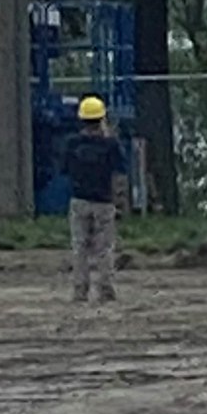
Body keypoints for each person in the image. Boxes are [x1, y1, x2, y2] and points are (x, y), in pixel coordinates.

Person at [64, 94, 127, 303]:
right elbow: (119, 174)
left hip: (79, 200)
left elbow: (65, 170)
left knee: (79, 247)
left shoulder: (72, 143)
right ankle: (106, 290)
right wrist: (120, 201)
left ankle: (80, 291)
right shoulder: (111, 145)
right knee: (105, 248)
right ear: (102, 118)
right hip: (104, 202)